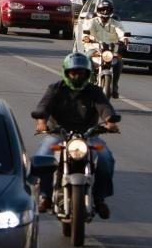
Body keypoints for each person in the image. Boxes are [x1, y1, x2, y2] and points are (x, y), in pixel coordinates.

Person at [33, 52, 119, 217]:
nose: (77, 76)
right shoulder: (56, 89)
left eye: (81, 72)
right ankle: (45, 196)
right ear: (66, 72)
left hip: (88, 135)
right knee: (42, 157)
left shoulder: (94, 91)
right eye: (73, 72)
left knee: (106, 158)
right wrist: (42, 121)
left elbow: (105, 108)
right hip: (59, 134)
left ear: (87, 74)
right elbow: (43, 106)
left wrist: (110, 122)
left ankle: (100, 199)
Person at [82, 0, 127, 98]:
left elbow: (121, 32)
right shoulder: (92, 21)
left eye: (108, 9)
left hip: (109, 50)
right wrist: (86, 37)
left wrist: (124, 39)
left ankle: (114, 85)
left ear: (111, 11)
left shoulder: (115, 23)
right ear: (98, 10)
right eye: (103, 9)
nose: (105, 11)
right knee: (86, 58)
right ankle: (89, 81)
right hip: (94, 49)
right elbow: (86, 31)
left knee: (119, 61)